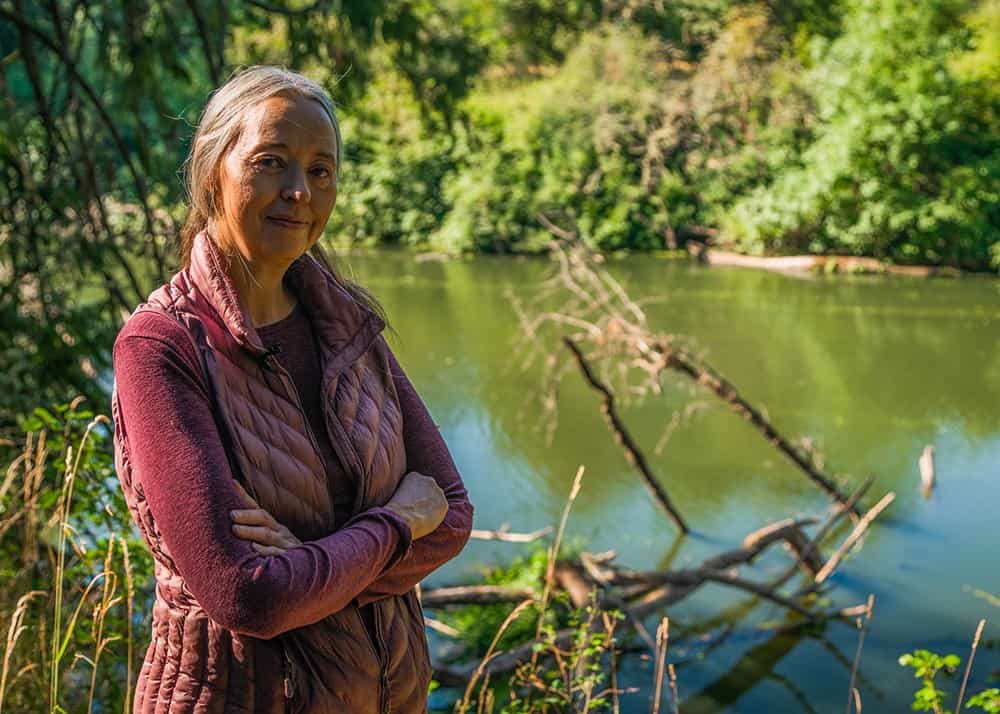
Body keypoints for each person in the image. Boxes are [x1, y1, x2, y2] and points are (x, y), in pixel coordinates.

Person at [110, 65, 474, 713]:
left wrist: (307, 566)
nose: (300, 191)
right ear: (213, 173)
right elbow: (247, 595)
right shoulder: (160, 346)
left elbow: (449, 512)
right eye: (271, 162)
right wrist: (394, 523)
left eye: (321, 170)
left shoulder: (347, 325)